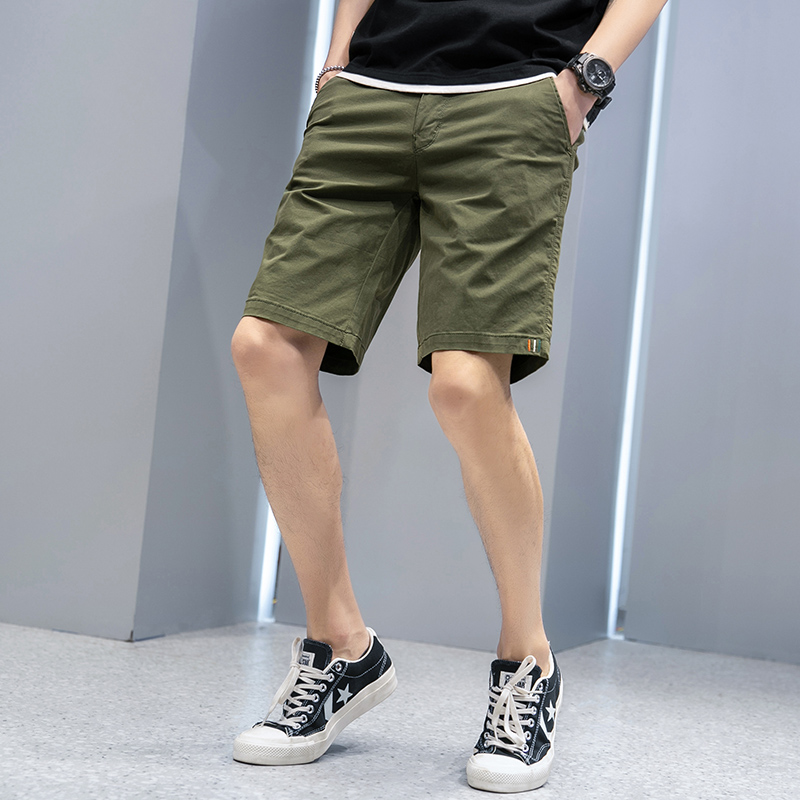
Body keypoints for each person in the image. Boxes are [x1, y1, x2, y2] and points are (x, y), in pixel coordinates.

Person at [230, 0, 667, 792]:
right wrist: (337, 58)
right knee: (266, 347)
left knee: (466, 385)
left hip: (514, 97)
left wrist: (584, 81)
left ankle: (528, 661)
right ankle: (341, 646)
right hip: (368, 91)